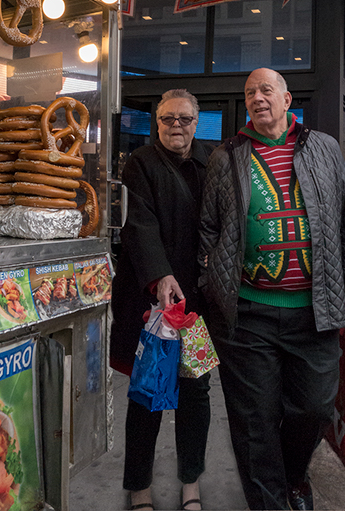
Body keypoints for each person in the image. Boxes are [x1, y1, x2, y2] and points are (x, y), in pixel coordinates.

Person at [197, 68, 345, 510]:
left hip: (314, 310)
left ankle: (294, 477)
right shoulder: (226, 156)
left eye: (266, 90)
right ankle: (269, 502)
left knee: (312, 408)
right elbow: (208, 230)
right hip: (247, 313)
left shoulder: (323, 147)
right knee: (254, 421)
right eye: (250, 92)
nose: (257, 98)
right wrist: (211, 284)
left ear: (287, 99)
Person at [110, 89, 213, 511]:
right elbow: (139, 225)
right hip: (151, 300)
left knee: (196, 393)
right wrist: (160, 274)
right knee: (148, 394)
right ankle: (140, 488)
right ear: (156, 123)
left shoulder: (211, 161)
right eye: (168, 118)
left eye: (185, 119)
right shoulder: (140, 163)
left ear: (196, 121)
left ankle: (191, 482)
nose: (177, 126)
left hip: (196, 305)